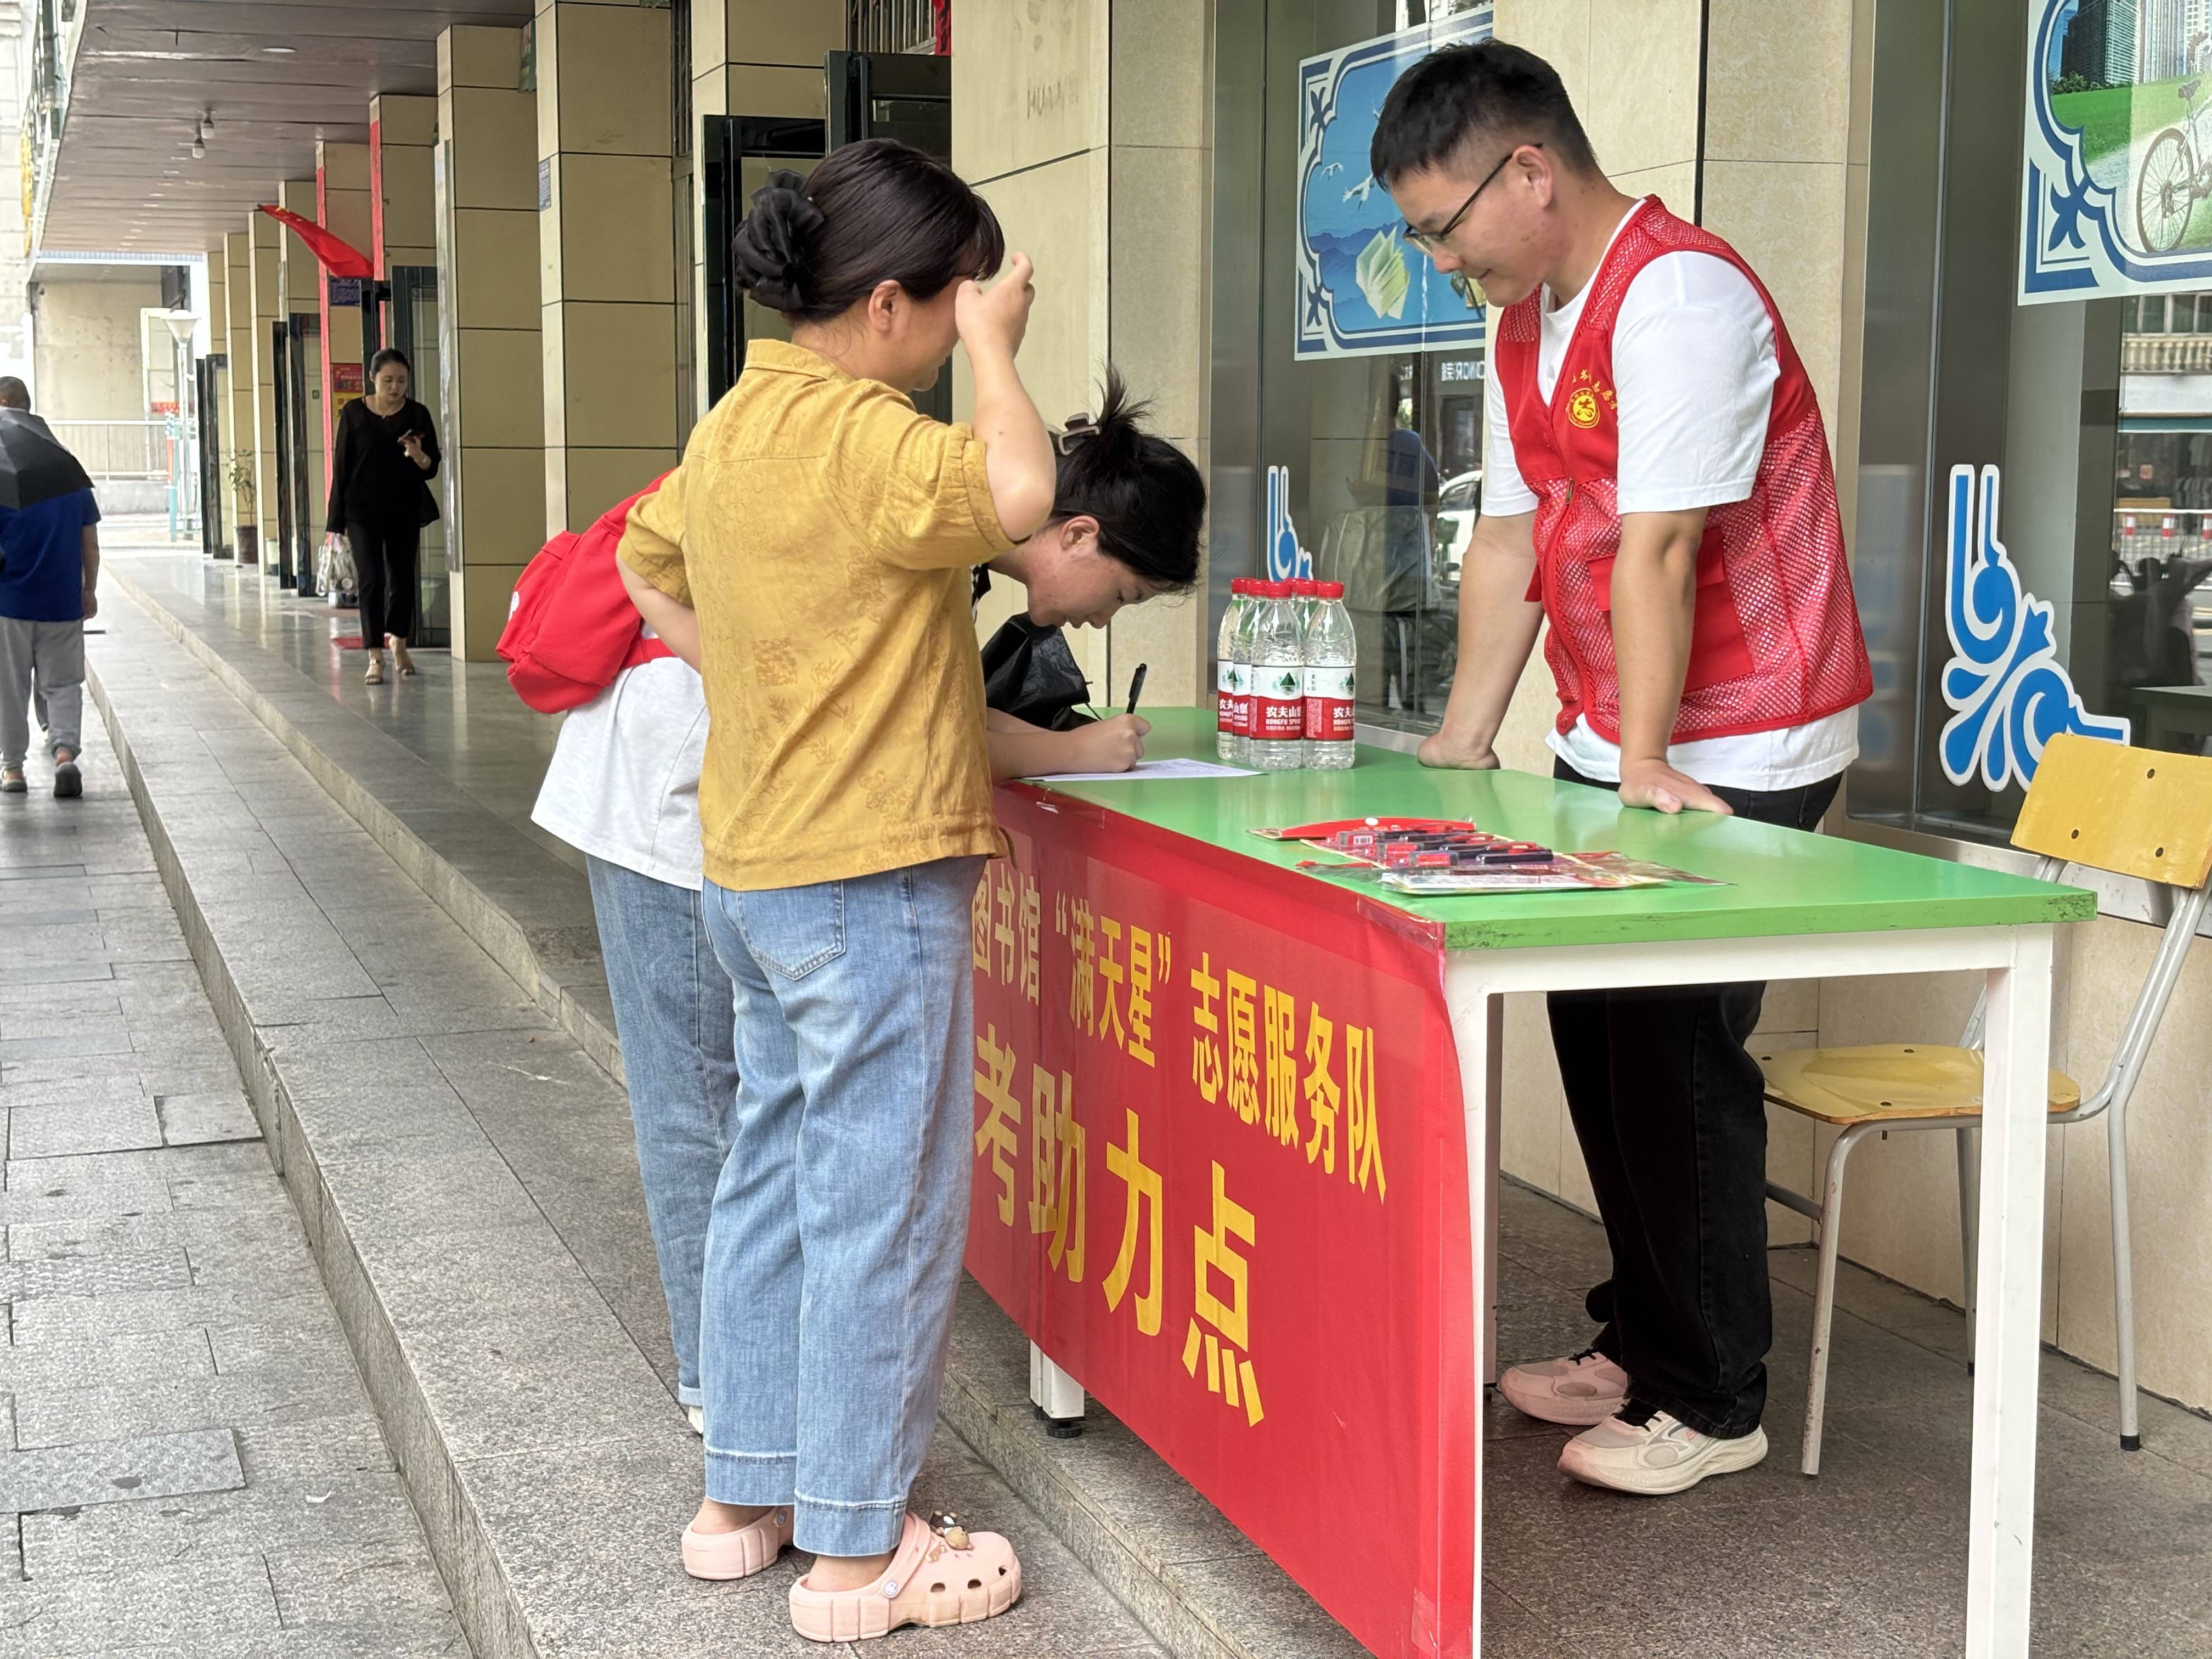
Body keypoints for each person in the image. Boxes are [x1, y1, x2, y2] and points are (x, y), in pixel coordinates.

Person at [526, 371, 1203, 1459]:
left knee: (759, 1122)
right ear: (1071, 531)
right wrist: (1069, 751)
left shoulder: (938, 523)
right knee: (706, 1115)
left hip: (756, 806)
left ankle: (757, 1422)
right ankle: (729, 1405)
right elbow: (878, 687)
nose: (1098, 616)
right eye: (1118, 594)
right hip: (670, 795)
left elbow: (914, 695)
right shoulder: (907, 492)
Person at [1372, 42, 1872, 1496]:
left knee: (1674, 1046)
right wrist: (1467, 742)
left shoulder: (1683, 296)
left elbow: (1660, 543)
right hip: (1621, 741)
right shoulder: (1523, 318)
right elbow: (1518, 544)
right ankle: (1644, 1337)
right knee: (1599, 1042)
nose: (1441, 255)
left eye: (1443, 224)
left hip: (1742, 742)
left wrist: (1643, 752)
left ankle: (1716, 1401)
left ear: (1529, 170)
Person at [616, 139, 1056, 1643]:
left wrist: (741, 667)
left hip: (753, 869)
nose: (951, 335)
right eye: (945, 311)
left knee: (769, 1186)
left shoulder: (736, 425)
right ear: (886, 307)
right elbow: (1017, 486)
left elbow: (643, 560)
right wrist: (1002, 354)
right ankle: (864, 1556)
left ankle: (743, 1500)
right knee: (883, 1206)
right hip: (869, 885)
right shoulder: (870, 437)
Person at [0, 380, 101, 800]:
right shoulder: (68, 472)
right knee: (63, 684)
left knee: (11, 686)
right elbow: (90, 544)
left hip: (11, 603)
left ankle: (13, 770)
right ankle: (65, 755)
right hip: (62, 600)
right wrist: (89, 590)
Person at [327, 348, 440, 685]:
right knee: (372, 580)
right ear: (373, 378)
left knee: (403, 580)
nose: (395, 387)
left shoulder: (417, 414)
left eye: (401, 381)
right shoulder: (353, 413)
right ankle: (374, 653)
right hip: (361, 510)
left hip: (404, 507)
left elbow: (431, 467)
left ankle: (399, 644)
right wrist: (336, 521)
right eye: (388, 380)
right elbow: (342, 466)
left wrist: (418, 454)